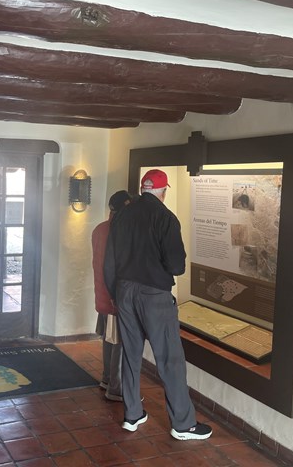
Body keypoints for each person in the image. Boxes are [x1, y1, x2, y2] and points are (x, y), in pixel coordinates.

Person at [104, 169, 212, 440]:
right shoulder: (166, 218)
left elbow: (110, 261)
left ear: (142, 188)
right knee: (170, 359)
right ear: (164, 191)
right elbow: (176, 266)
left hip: (124, 290)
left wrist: (115, 294)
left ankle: (132, 415)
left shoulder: (122, 216)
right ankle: (183, 424)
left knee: (130, 353)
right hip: (154, 295)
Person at [91, 190, 131, 402]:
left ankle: (106, 379)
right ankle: (116, 388)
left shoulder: (99, 229)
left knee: (108, 339)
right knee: (120, 344)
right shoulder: (120, 233)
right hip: (116, 297)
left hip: (102, 294)